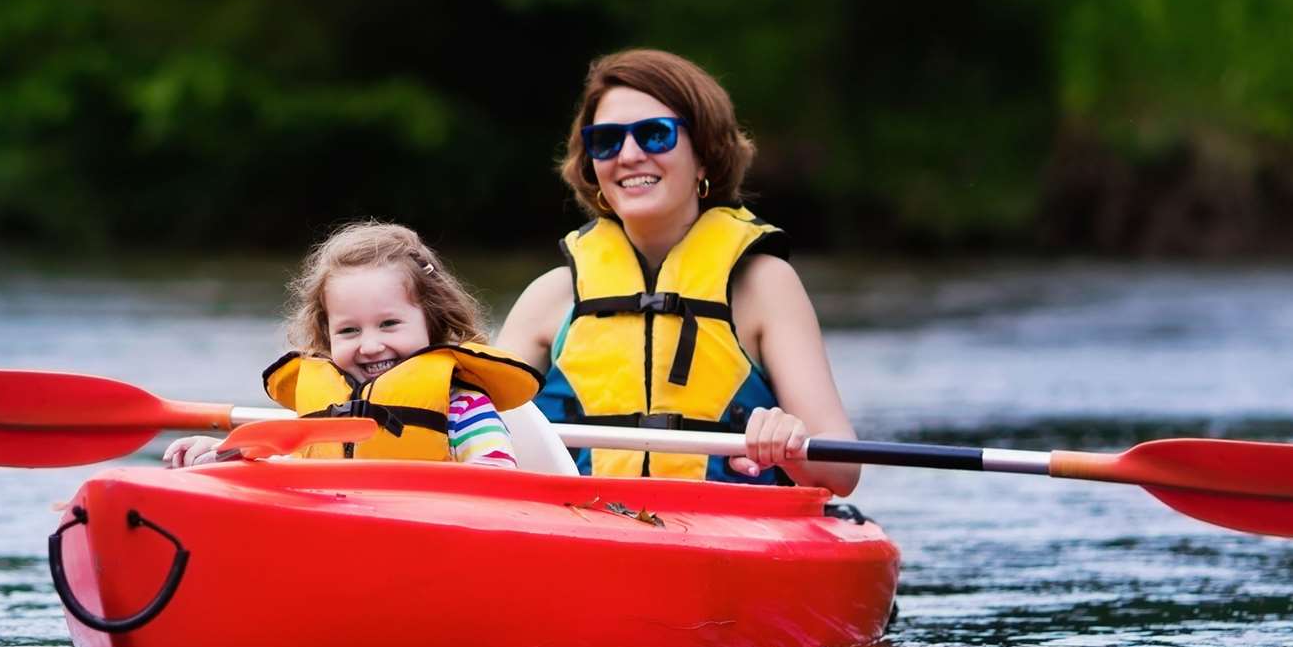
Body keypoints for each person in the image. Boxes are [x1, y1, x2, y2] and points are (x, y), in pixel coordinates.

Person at [496, 49, 860, 495]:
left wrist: (786, 441)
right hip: (582, 528)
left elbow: (841, 472)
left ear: (704, 156)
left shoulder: (764, 285)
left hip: (728, 533)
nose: (629, 155)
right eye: (607, 141)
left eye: (654, 135)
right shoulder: (549, 298)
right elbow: (475, 435)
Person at [165, 221, 541, 468]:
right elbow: (277, 466)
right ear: (325, 334)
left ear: (433, 320)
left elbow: (496, 478)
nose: (371, 345)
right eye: (349, 331)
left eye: (389, 324)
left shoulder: (464, 408)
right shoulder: (321, 410)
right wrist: (220, 453)